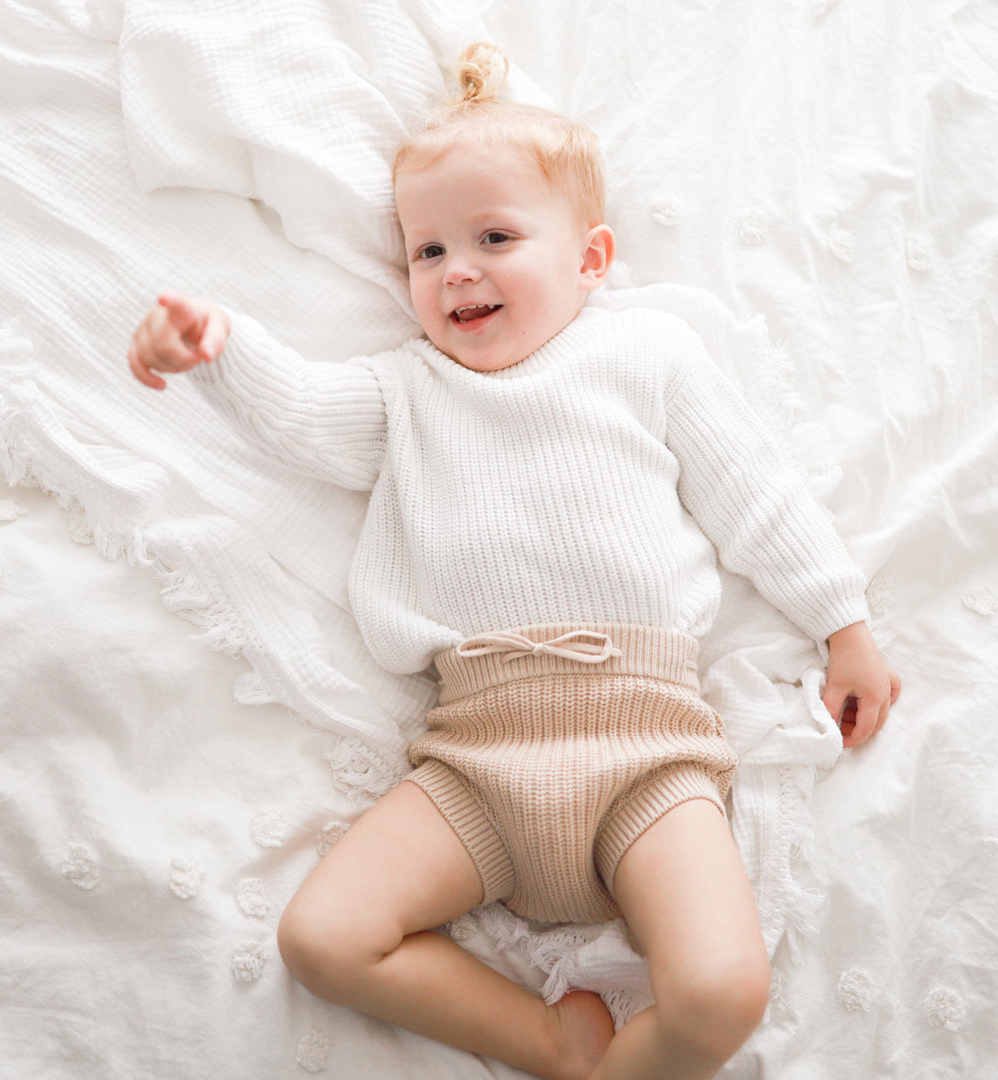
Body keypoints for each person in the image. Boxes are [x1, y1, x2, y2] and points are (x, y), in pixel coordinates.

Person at [128, 42, 899, 1080]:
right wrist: (220, 345)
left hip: (648, 754)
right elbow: (301, 415)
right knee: (322, 938)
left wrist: (844, 628)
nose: (458, 271)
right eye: (428, 251)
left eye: (494, 236)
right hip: (476, 762)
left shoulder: (647, 357)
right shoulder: (405, 392)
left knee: (723, 990)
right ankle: (549, 1041)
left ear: (589, 259)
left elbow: (757, 499)